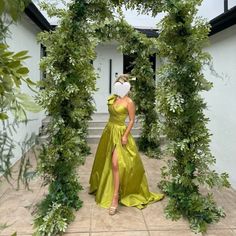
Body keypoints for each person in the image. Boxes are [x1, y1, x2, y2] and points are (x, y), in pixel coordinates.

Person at [88, 74, 164, 215]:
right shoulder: (113, 98)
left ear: (127, 88)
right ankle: (104, 186)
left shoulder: (129, 102)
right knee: (105, 162)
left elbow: (131, 120)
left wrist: (124, 135)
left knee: (116, 163)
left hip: (120, 133)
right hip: (109, 131)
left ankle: (115, 198)